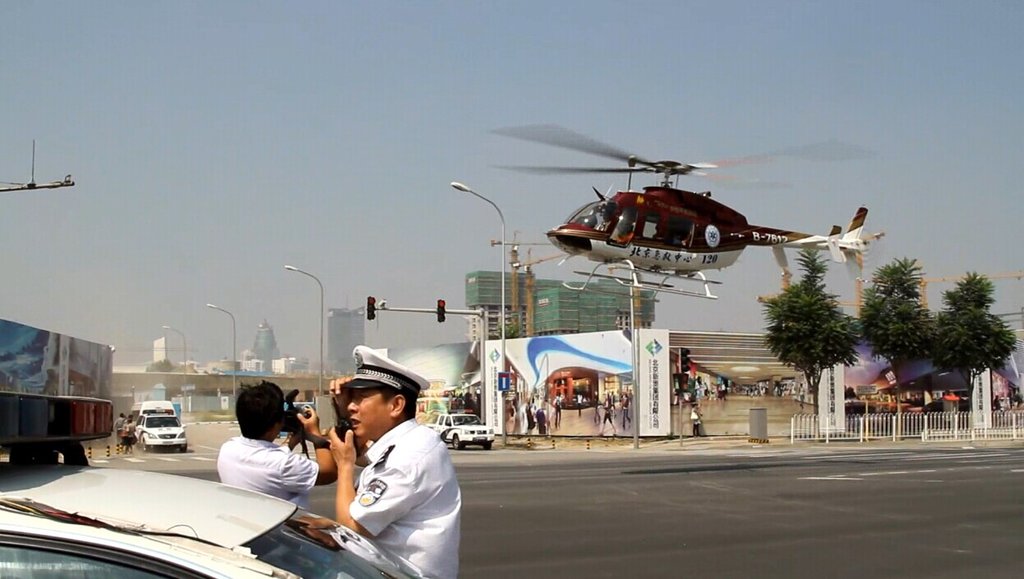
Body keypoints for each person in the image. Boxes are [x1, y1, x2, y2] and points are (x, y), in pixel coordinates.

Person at [329, 346, 461, 579]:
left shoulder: (406, 459)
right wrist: (341, 411)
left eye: (361, 398)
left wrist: (345, 466)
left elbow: (349, 528)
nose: (351, 406)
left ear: (396, 405)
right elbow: (363, 455)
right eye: (351, 399)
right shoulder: (411, 441)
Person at [217, 381, 337, 509]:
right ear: (277, 424)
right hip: (282, 525)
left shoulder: (227, 449)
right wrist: (314, 432)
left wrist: (290, 442)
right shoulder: (284, 464)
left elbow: (268, 458)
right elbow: (329, 473)